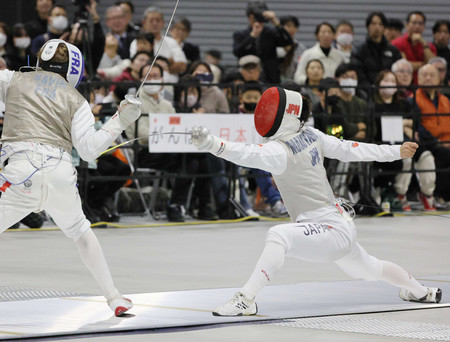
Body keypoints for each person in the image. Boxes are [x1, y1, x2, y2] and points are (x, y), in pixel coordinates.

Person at [190, 86, 442, 316]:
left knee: (279, 235)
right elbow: (352, 148)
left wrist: (212, 143)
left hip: (330, 229)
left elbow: (246, 153)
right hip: (337, 227)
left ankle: (246, 299)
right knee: (371, 269)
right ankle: (422, 292)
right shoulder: (312, 135)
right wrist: (395, 151)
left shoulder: (280, 150)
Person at [0, 39, 142, 315]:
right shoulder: (76, 99)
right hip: (60, 175)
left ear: (39, 60)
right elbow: (88, 150)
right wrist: (120, 120)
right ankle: (114, 298)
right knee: (80, 231)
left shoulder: (13, 80)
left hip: (20, 174)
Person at [232, 1, 292, 84]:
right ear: (250, 17)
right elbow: (237, 52)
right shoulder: (240, 34)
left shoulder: (271, 32)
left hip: (270, 77)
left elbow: (287, 41)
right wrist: (252, 36)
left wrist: (276, 23)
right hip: (248, 77)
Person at [350, 12, 401, 91]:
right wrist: (370, 89)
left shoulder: (393, 50)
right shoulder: (359, 50)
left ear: (384, 28)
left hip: (389, 90)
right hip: (366, 92)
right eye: (373, 24)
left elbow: (399, 71)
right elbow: (358, 73)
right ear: (368, 27)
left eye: (380, 24)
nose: (377, 27)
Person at [391, 11, 437, 84]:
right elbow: (405, 66)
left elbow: (432, 65)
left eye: (420, 23)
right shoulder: (397, 43)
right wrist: (424, 64)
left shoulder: (429, 46)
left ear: (424, 26)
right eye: (414, 23)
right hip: (403, 85)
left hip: (424, 85)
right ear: (407, 25)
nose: (417, 26)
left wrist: (423, 43)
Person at [276, 15, 306, 80]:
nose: (291, 29)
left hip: (295, 84)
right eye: (288, 26)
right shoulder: (275, 45)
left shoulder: (301, 48)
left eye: (294, 26)